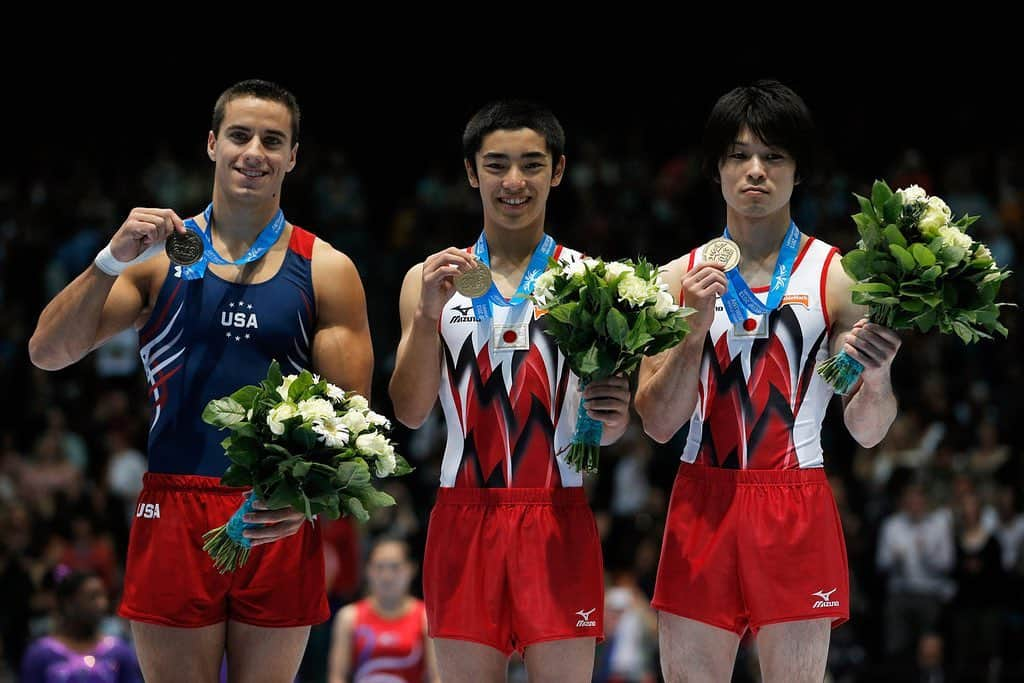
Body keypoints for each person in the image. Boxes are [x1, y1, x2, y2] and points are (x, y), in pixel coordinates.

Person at [29, 79, 374, 682]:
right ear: (212, 144)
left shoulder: (326, 269)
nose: (254, 152)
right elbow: (48, 352)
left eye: (273, 140)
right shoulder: (154, 257)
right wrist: (110, 260)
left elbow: (353, 422)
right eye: (240, 135)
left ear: (293, 157)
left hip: (274, 515)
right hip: (174, 508)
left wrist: (306, 500)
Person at [634, 80, 901, 682]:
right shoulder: (675, 279)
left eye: (773, 156)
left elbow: (867, 432)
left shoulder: (839, 279)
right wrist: (693, 329)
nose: (755, 170)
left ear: (798, 169)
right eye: (738, 155)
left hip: (795, 499)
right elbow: (656, 423)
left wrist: (878, 379)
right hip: (702, 499)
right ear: (716, 169)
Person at [388, 100, 631, 683]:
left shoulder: (593, 282)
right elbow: (411, 412)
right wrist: (426, 317)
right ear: (472, 172)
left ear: (559, 170)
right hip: (462, 516)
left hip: (559, 514)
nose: (514, 182)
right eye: (496, 165)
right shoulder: (430, 281)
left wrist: (615, 411)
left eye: (531, 164)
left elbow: (609, 428)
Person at [328, 537, 439, 683]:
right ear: (368, 571)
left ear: (411, 570)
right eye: (379, 567)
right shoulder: (349, 617)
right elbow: (337, 677)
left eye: (395, 567)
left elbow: (436, 677)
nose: (387, 576)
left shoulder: (426, 617)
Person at [20, 567, 143, 682]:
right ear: (69, 603)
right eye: (93, 597)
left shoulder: (119, 651)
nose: (102, 604)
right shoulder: (40, 654)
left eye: (103, 596)